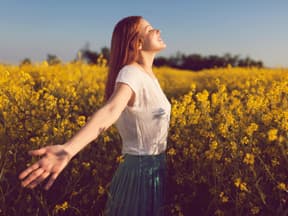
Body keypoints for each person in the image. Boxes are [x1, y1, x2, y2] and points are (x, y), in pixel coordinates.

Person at [18, 15, 171, 216]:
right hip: (139, 173)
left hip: (154, 169)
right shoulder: (131, 73)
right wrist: (68, 150)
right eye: (150, 28)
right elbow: (110, 110)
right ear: (137, 43)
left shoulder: (147, 75)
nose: (157, 30)